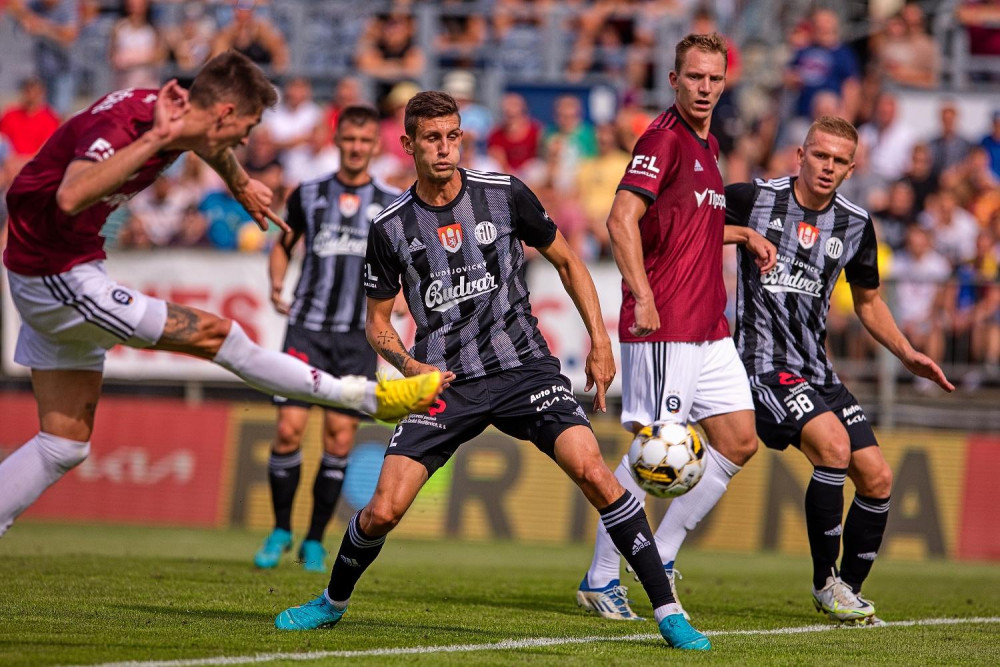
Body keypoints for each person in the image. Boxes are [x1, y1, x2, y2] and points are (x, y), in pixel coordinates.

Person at [273, 91, 712, 651]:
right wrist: (408, 364)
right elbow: (377, 325)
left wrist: (601, 344)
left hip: (524, 369)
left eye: (452, 136)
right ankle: (331, 603)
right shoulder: (390, 227)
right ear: (407, 144)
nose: (444, 148)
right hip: (445, 383)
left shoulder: (504, 194)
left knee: (596, 475)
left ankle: (668, 612)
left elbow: (569, 261)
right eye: (431, 138)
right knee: (382, 511)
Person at [0, 51, 442, 538]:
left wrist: (239, 182)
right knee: (219, 336)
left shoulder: (178, 117)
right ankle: (366, 398)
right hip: (56, 275)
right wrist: (156, 139)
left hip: (61, 265)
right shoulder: (140, 126)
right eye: (246, 127)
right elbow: (69, 196)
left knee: (64, 443)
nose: (245, 140)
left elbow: (202, 140)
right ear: (225, 113)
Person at [722, 116, 953, 623]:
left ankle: (848, 590)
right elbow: (689, 228)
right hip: (763, 363)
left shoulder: (855, 223)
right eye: (820, 155)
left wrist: (906, 352)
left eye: (839, 160)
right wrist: (741, 235)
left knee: (878, 477)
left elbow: (868, 301)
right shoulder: (754, 198)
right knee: (833, 447)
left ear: (852, 169)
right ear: (800, 155)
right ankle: (825, 582)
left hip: (818, 371)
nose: (828, 167)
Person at [578, 32, 774, 622]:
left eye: (714, 78)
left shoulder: (707, 145)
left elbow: (689, 225)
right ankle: (601, 577)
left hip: (708, 326)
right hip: (667, 321)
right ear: (674, 80)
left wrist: (742, 234)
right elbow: (621, 219)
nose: (705, 88)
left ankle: (660, 553)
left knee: (738, 440)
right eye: (694, 77)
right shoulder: (663, 138)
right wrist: (642, 296)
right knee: (654, 450)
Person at [253, 105, 401, 573]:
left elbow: (405, 264)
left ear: (375, 145)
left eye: (365, 141)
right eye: (349, 139)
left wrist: (402, 303)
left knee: (338, 439)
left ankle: (314, 540)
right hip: (308, 328)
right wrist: (277, 283)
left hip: (357, 338)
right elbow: (283, 244)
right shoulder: (309, 192)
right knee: (287, 429)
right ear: (337, 141)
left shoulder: (391, 202)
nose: (356, 148)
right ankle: (280, 529)